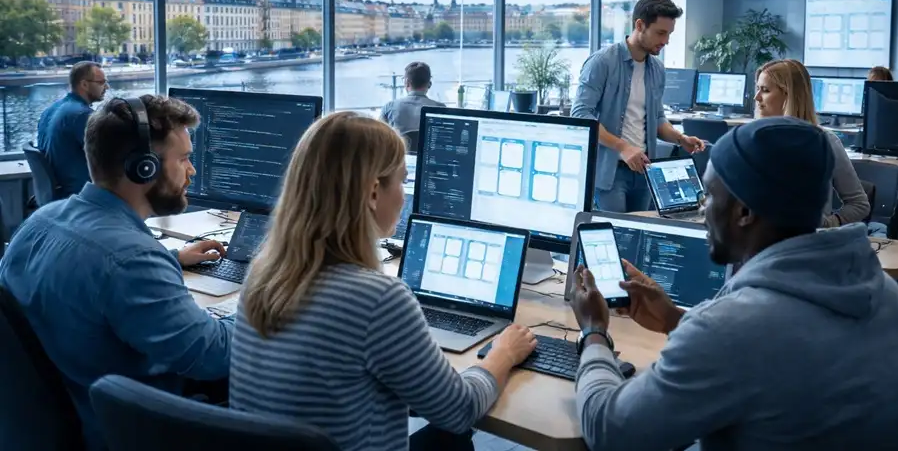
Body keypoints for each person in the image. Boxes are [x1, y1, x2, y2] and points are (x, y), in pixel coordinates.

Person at [569, 117, 898, 451]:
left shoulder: (731, 330)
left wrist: (594, 330)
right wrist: (677, 321)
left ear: (744, 212)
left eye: (710, 196)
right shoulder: (887, 294)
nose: (702, 209)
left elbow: (609, 431)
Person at [230, 112, 536, 451]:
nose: (404, 196)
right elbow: (458, 410)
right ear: (374, 192)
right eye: (402, 181)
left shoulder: (262, 275)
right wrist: (502, 354)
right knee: (455, 436)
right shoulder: (378, 299)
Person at [0, 95, 233, 451]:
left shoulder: (40, 223)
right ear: (144, 168)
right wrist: (262, 296)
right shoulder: (132, 260)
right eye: (184, 158)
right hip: (124, 433)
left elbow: (99, 266)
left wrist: (170, 257)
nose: (193, 170)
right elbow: (213, 355)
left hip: (46, 424)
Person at [571, 0, 704, 213]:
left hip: (645, 170)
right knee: (615, 238)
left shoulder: (657, 69)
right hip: (608, 173)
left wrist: (681, 139)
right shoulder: (602, 62)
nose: (666, 41)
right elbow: (580, 115)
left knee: (638, 241)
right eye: (660, 33)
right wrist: (622, 147)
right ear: (640, 25)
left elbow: (657, 119)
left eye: (669, 34)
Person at [754, 58, 869, 227]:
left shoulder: (825, 143)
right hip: (760, 244)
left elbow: (859, 205)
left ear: (789, 95)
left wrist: (830, 224)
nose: (757, 97)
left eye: (765, 90)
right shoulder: (753, 141)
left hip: (806, 246)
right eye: (758, 89)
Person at [36, 61, 109, 197]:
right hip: (78, 196)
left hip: (57, 196)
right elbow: (108, 155)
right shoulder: (82, 115)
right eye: (101, 83)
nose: (107, 87)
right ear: (84, 85)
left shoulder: (50, 110)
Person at [379, 61, 445, 134]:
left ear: (407, 83)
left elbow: (379, 137)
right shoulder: (441, 109)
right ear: (429, 84)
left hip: (399, 145)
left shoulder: (389, 107)